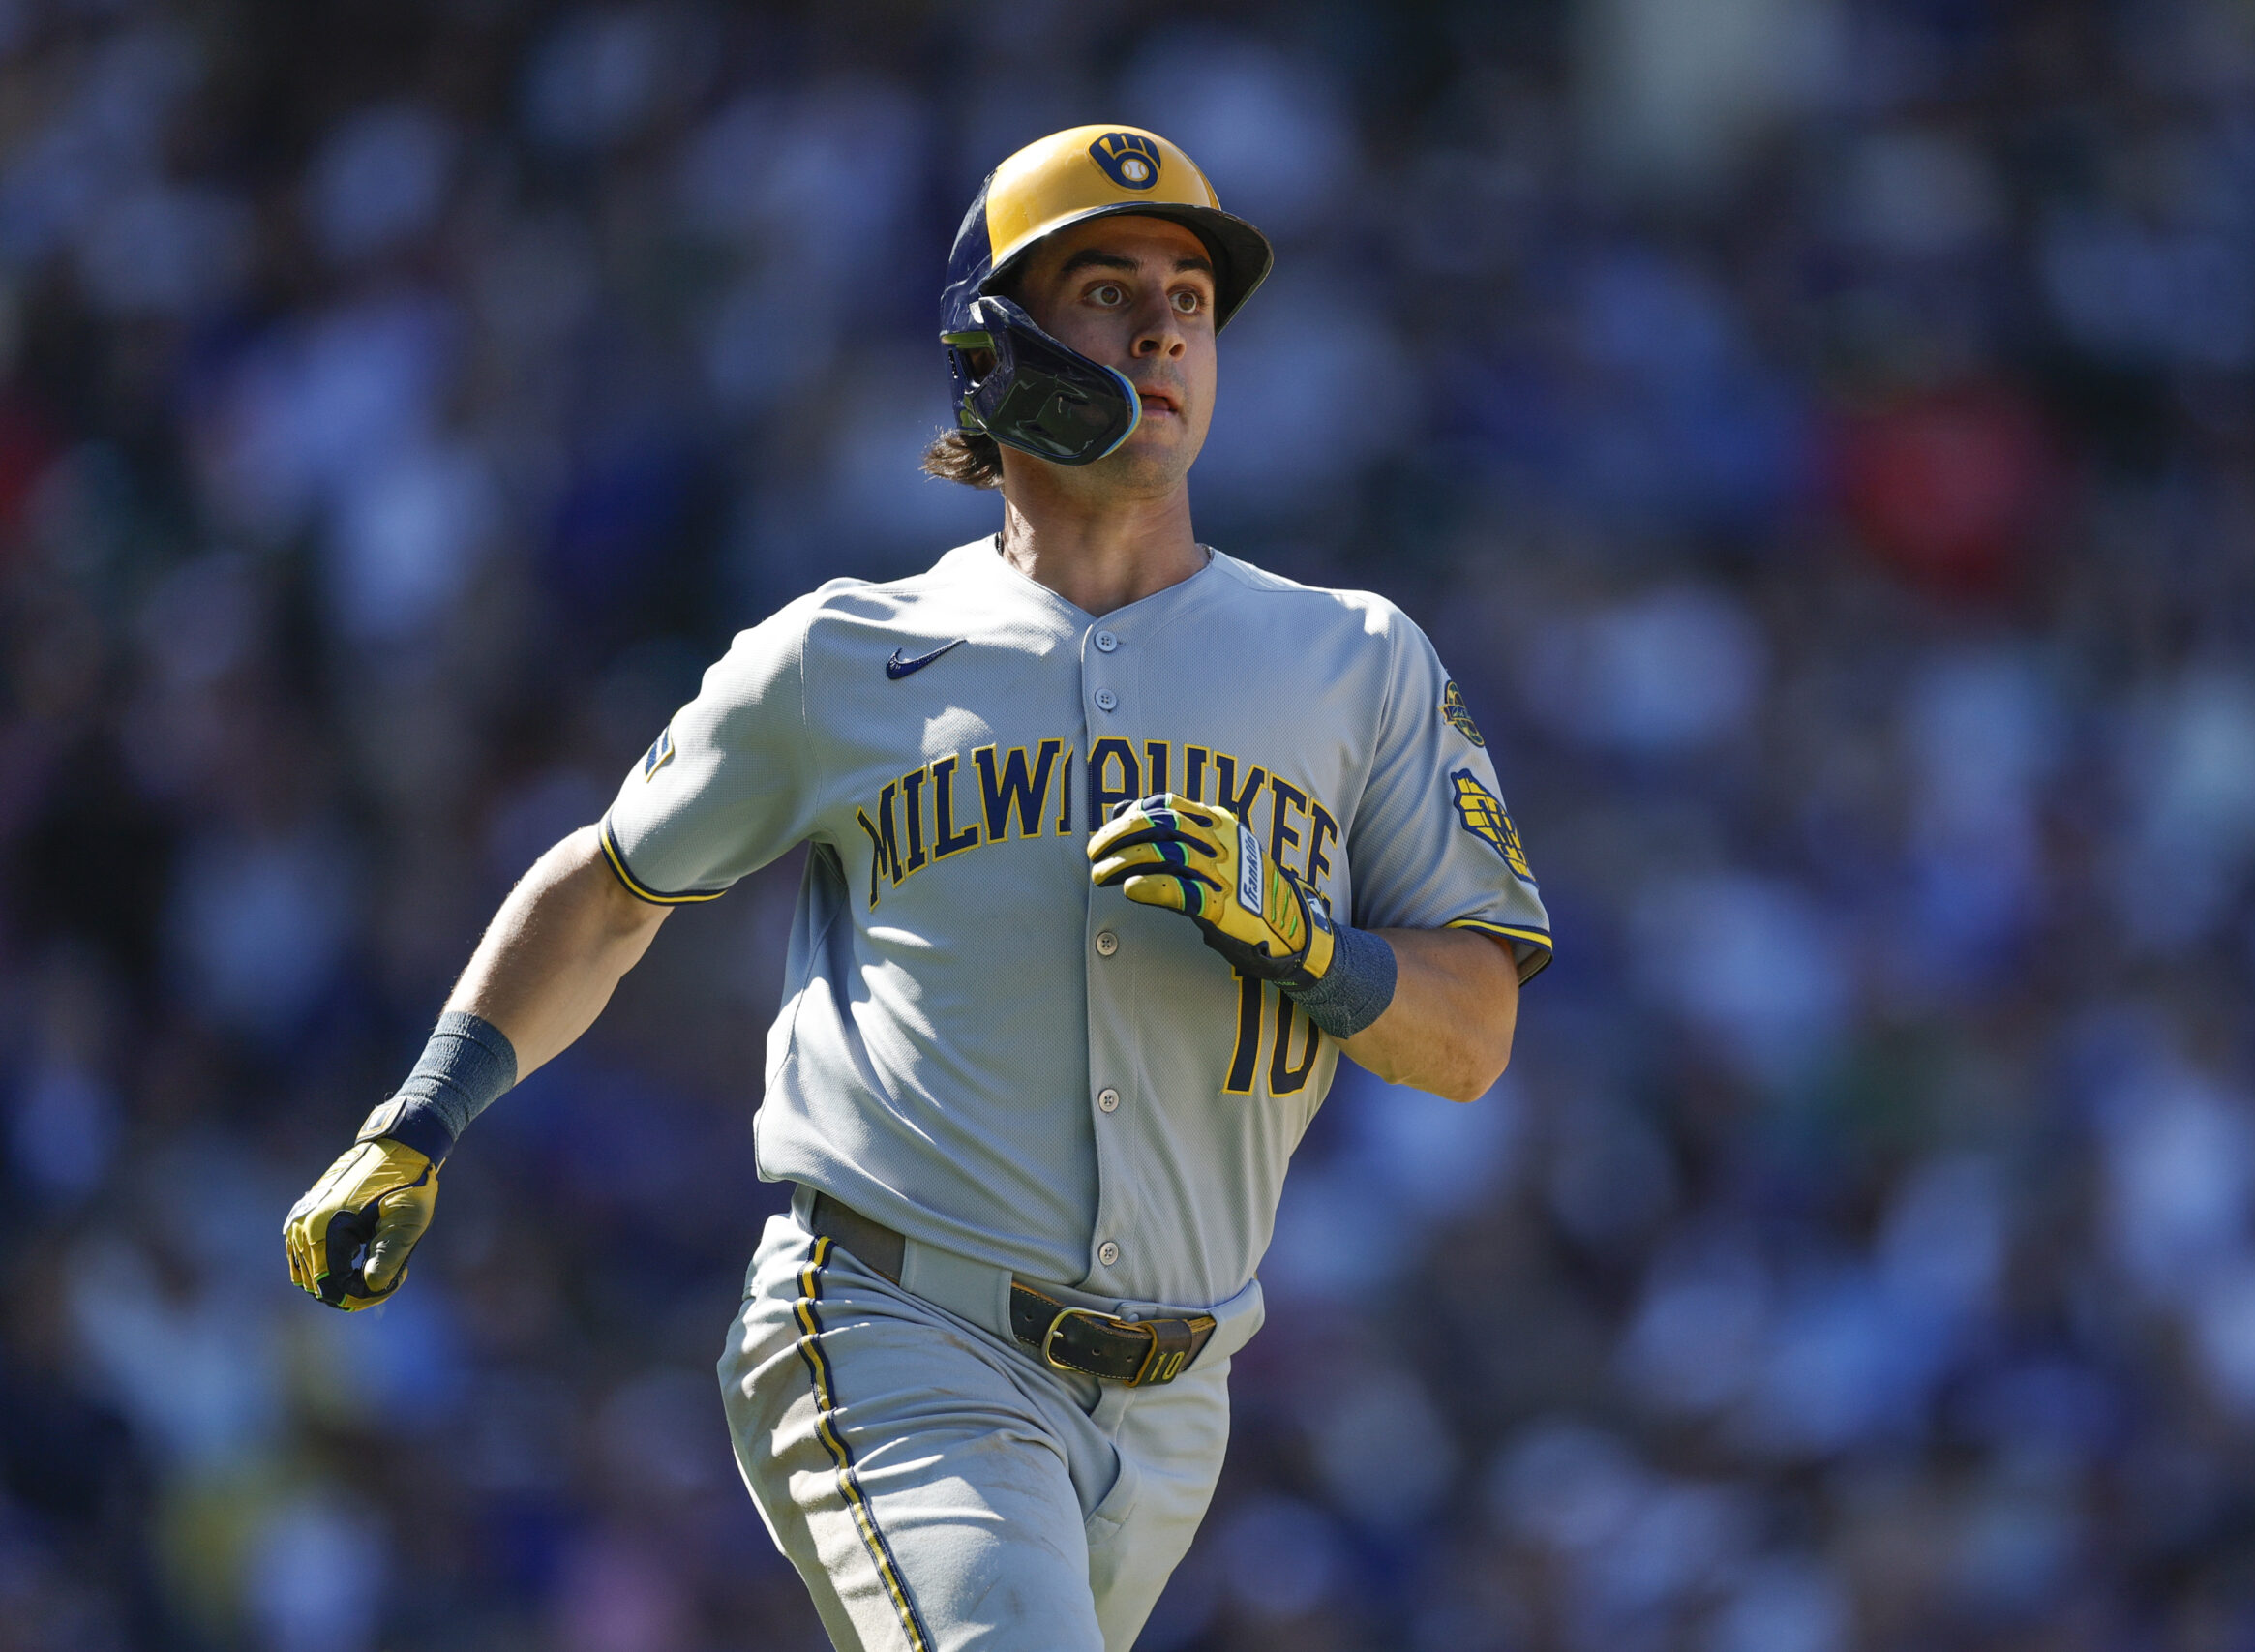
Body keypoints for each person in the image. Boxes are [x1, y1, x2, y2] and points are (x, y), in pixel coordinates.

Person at [283, 124, 1551, 1651]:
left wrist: (1311, 946)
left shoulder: (1355, 661)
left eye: (1192, 299)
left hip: (1176, 1396)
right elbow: (611, 887)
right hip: (896, 1324)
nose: (1162, 328)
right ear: (995, 343)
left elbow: (1471, 1039)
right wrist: (416, 1120)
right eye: (1103, 288)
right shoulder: (842, 656)